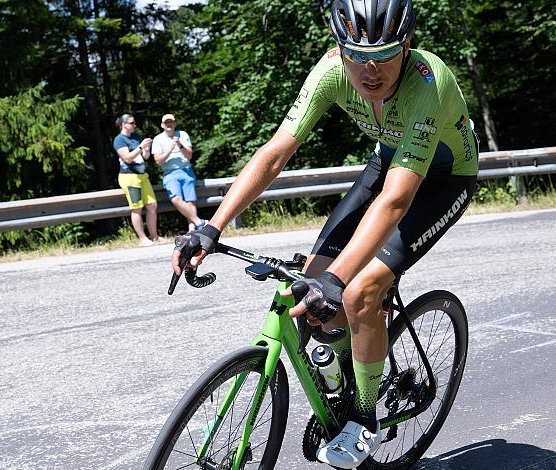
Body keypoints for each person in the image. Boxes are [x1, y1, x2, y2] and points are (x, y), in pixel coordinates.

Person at [173, 0, 479, 467]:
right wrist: (211, 227)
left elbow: (396, 201)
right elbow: (275, 153)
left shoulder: (426, 82)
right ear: (338, 48)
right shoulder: (331, 72)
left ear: (408, 46)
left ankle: (363, 415)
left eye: (385, 54)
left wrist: (340, 281)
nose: (369, 70)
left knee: (357, 291)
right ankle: (341, 368)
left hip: (444, 179)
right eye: (356, 54)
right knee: (310, 288)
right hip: (388, 160)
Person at [113, 113, 163, 247]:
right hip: (129, 177)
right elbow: (127, 158)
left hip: (142, 175)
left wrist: (147, 148)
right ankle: (142, 238)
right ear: (124, 125)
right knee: (137, 208)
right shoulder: (119, 140)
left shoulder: (135, 137)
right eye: (132, 123)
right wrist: (140, 147)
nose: (135, 125)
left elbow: (145, 157)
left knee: (152, 205)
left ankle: (154, 236)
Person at [152, 113, 206, 232]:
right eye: (166, 122)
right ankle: (199, 222)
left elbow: (189, 155)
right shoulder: (158, 139)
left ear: (175, 123)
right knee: (176, 199)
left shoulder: (182, 135)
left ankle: (193, 230)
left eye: (171, 122)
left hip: (186, 170)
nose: (169, 124)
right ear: (162, 125)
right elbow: (158, 161)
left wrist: (180, 145)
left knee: (190, 201)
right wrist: (170, 149)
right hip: (170, 173)